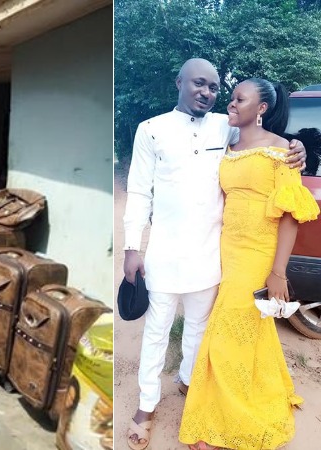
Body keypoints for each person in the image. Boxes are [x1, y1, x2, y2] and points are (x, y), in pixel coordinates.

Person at [123, 59, 306, 450]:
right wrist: (131, 247)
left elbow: (272, 140)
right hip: (166, 254)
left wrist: (298, 146)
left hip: (213, 257)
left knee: (200, 330)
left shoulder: (227, 126)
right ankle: (146, 406)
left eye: (215, 87)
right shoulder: (151, 130)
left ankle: (194, 386)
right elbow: (139, 192)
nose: (208, 93)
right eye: (199, 84)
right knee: (156, 331)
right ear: (180, 82)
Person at [178, 79, 319, 449]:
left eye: (240, 98)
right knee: (249, 329)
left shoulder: (282, 150)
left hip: (257, 253)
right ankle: (254, 393)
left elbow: (289, 215)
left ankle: (224, 420)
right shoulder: (228, 145)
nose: (231, 102)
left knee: (227, 331)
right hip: (225, 249)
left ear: (261, 109)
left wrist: (277, 272)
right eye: (232, 97)